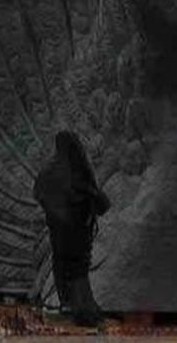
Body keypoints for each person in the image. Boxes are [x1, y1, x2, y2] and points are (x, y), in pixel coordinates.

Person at [33, 130, 111, 327]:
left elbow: (40, 192)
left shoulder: (49, 173)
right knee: (78, 272)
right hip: (77, 234)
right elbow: (100, 202)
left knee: (70, 271)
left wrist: (57, 214)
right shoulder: (78, 170)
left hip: (61, 235)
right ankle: (84, 311)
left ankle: (78, 308)